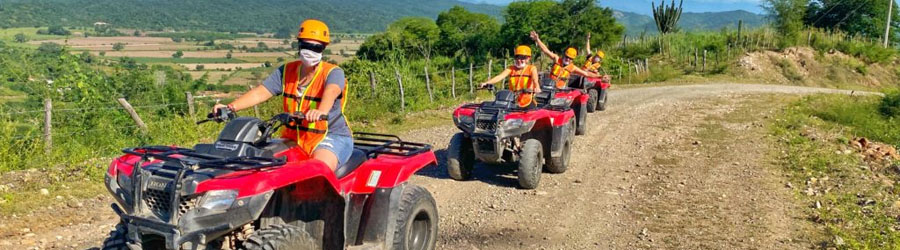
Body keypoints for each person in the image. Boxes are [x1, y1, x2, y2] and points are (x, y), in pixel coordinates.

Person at [212, 19, 352, 171]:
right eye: (306, 45)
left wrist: (321, 111)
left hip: (330, 136)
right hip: (293, 138)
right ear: (299, 45)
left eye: (316, 47)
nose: (310, 51)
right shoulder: (286, 71)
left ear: (323, 49)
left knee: (317, 169)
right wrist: (230, 107)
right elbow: (261, 92)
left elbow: (332, 91)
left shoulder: (332, 72)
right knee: (260, 164)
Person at [529, 31, 600, 89]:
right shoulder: (556, 59)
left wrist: (600, 77)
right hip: (548, 86)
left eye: (570, 58)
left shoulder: (572, 67)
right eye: (566, 57)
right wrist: (537, 40)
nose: (568, 59)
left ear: (572, 59)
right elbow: (545, 50)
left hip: (560, 88)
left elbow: (586, 74)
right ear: (564, 55)